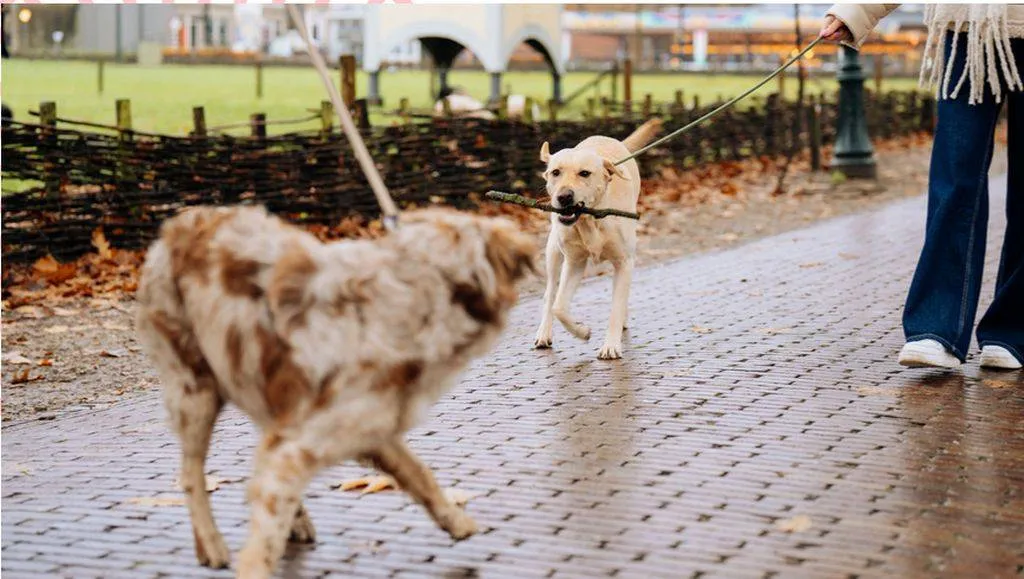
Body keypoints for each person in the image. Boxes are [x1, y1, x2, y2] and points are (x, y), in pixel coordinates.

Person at [820, 5, 1024, 370]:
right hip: (969, 27)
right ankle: (937, 328)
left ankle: (1014, 330)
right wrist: (855, 11)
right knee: (955, 175)